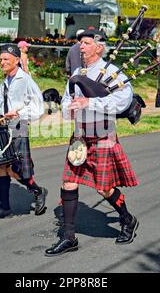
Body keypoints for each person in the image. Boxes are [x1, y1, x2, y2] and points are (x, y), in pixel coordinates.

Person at [45, 30, 139, 257]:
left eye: (86, 43)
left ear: (99, 47)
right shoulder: (78, 72)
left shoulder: (114, 73)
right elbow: (68, 102)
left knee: (104, 188)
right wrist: (66, 107)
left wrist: (90, 102)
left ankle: (127, 219)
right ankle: (69, 237)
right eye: (80, 43)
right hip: (80, 135)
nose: (81, 47)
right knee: (69, 182)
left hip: (102, 135)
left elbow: (121, 102)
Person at [0, 44, 48, 220]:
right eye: (1, 59)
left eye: (6, 59)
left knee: (16, 170)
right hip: (2, 129)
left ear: (17, 60)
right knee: (1, 166)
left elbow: (39, 107)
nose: (2, 62)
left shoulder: (26, 80)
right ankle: (4, 207)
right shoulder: (5, 81)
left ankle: (38, 191)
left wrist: (19, 113)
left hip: (18, 128)